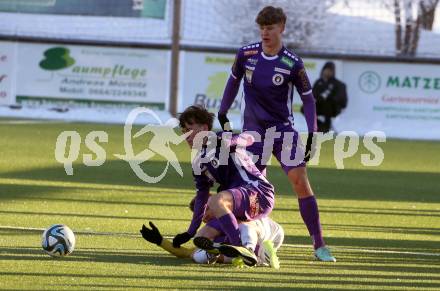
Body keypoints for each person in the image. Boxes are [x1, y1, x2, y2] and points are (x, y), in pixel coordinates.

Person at [217, 6, 335, 262]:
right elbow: (232, 81)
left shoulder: (292, 63)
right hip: (253, 135)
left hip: (283, 132)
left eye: (270, 28)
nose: (265, 33)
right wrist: (223, 111)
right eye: (261, 28)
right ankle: (243, 244)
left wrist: (312, 133)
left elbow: (309, 99)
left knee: (300, 183)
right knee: (249, 192)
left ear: (282, 27)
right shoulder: (246, 54)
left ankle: (319, 245)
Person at [171, 105, 276, 266]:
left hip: (258, 192)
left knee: (217, 202)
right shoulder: (199, 162)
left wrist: (229, 140)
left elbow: (250, 138)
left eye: (189, 129)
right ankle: (256, 253)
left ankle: (238, 248)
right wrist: (189, 232)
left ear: (204, 128)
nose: (186, 135)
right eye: (183, 131)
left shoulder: (222, 138)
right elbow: (201, 197)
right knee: (201, 238)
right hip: (240, 202)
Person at [311, 61, 348, 132]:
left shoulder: (338, 84)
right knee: (306, 108)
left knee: (327, 104)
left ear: (333, 72)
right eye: (326, 70)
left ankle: (326, 126)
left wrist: (329, 98)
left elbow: (340, 98)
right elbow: (313, 94)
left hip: (333, 107)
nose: (328, 72)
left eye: (330, 70)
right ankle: (321, 126)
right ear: (323, 70)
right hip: (319, 105)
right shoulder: (318, 82)